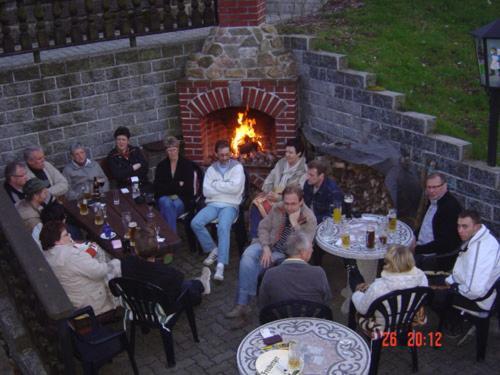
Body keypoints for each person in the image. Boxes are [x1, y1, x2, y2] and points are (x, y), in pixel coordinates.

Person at [226, 185, 317, 319]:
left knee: (259, 266)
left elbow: (305, 246)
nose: (289, 207)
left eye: (293, 204)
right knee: (247, 256)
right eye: (286, 203)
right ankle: (244, 304)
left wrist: (295, 224)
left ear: (301, 202)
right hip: (267, 244)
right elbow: (263, 227)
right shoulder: (278, 208)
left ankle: (244, 303)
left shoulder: (309, 218)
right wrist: (266, 247)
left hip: (285, 253)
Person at [431, 210, 500, 332]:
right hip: (473, 286)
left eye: (465, 226)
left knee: (429, 294)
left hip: (478, 300)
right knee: (433, 281)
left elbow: (475, 291)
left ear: (477, 226)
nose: (460, 230)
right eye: (458, 225)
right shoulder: (484, 236)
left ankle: (453, 322)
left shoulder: (480, 251)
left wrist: (453, 286)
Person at [191, 140, 245, 281]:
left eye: (227, 154)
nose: (225, 158)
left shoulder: (237, 168)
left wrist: (216, 185)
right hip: (213, 204)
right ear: (216, 154)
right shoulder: (211, 169)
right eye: (222, 155)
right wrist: (226, 186)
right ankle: (213, 249)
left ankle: (220, 265)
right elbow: (206, 191)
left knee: (223, 227)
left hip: (230, 205)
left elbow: (235, 189)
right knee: (195, 223)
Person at [40, 221, 119, 316]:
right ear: (57, 242)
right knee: (117, 267)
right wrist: (117, 262)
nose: (69, 236)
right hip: (94, 306)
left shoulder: (48, 255)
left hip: (76, 302)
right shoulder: (71, 256)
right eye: (65, 235)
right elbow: (99, 271)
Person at [121, 229, 211, 306]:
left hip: (137, 303)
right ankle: (201, 284)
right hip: (163, 307)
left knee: (181, 284)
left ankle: (199, 282)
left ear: (136, 250)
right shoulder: (166, 273)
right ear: (158, 247)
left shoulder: (126, 262)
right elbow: (180, 278)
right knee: (187, 285)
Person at [349, 245, 428, 331]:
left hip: (382, 324)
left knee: (355, 288)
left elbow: (363, 309)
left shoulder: (378, 287)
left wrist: (357, 293)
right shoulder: (422, 278)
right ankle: (352, 269)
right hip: (408, 318)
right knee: (361, 283)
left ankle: (351, 330)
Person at [249, 138, 308, 238]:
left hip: (288, 201)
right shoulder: (281, 163)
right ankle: (255, 238)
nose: (287, 155)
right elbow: (269, 180)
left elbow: (300, 194)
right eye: (286, 152)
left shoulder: (303, 170)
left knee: (273, 209)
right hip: (273, 195)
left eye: (291, 152)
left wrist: (280, 198)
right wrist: (269, 192)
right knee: (256, 204)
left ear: (299, 154)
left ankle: (272, 239)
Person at [258, 230, 332, 308]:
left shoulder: (270, 274)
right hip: (311, 318)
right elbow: (326, 301)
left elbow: (263, 304)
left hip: (281, 318)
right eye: (311, 248)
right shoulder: (319, 273)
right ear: (303, 252)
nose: (312, 250)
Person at [414, 172, 462, 270]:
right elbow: (425, 225)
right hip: (421, 247)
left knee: (397, 263)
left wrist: (416, 249)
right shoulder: (433, 201)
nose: (431, 191)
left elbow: (444, 243)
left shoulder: (450, 208)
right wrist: (414, 236)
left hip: (434, 258)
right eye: (429, 187)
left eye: (435, 187)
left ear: (445, 186)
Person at [154, 136, 195, 234]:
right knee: (167, 203)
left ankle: (169, 237)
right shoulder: (161, 166)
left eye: (174, 149)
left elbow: (188, 189)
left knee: (167, 209)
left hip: (181, 199)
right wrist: (177, 185)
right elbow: (157, 188)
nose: (172, 152)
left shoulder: (186, 164)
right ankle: (173, 239)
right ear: (166, 151)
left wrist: (169, 187)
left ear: (178, 149)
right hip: (164, 198)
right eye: (169, 150)